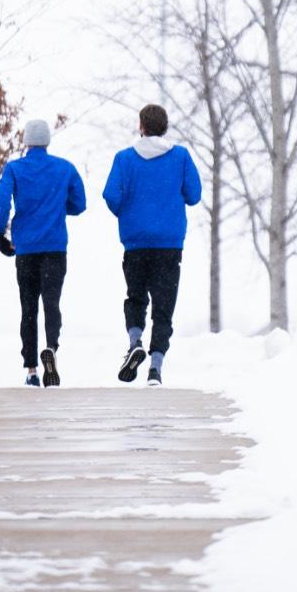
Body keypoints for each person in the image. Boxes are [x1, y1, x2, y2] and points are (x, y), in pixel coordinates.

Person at [102, 103, 202, 386]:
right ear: (165, 127)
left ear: (141, 127)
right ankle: (155, 367)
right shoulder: (180, 157)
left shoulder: (124, 159)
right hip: (169, 244)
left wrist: (128, 211)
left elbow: (111, 195)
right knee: (164, 306)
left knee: (135, 297)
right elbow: (194, 195)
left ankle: (135, 341)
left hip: (136, 243)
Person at [0, 119, 87, 387]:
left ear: (25, 142)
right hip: (55, 247)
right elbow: (79, 204)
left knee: (29, 308)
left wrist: (1, 231)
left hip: (26, 249)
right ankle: (52, 348)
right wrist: (57, 208)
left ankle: (32, 370)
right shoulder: (64, 168)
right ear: (48, 140)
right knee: (52, 304)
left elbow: (2, 204)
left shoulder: (14, 169)